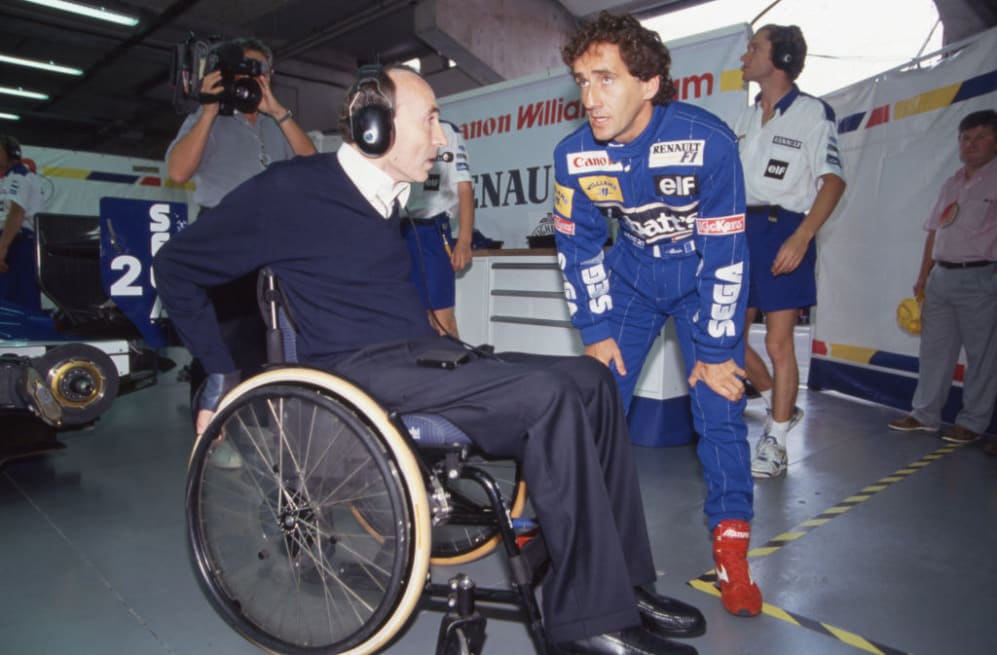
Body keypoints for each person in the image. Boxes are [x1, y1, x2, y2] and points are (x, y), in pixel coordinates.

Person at [155, 63, 707, 655]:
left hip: (420, 358)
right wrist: (220, 373)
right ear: (375, 129)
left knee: (591, 378)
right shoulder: (287, 191)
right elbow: (176, 267)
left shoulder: (384, 201)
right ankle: (590, 622)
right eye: (431, 121)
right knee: (547, 399)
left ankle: (621, 582)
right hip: (359, 376)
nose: (441, 140)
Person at [553, 12, 761, 618]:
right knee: (591, 406)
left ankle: (733, 554)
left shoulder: (709, 140)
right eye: (581, 81)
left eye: (605, 79)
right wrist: (593, 330)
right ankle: (552, 525)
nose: (590, 99)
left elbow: (727, 253)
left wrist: (720, 349)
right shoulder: (574, 156)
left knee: (719, 413)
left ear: (649, 82)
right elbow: (578, 246)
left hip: (702, 285)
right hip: (632, 285)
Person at [165, 37, 317, 420]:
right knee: (220, 337)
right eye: (244, 68)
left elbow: (313, 169)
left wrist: (279, 112)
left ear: (270, 74)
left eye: (259, 69)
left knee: (269, 336)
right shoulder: (209, 117)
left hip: (273, 240)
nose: (252, 76)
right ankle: (213, 425)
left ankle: (260, 422)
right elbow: (179, 171)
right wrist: (207, 112)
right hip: (222, 234)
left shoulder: (276, 122)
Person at [733, 24, 846, 479]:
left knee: (779, 343)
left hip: (785, 229)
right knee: (728, 340)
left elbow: (833, 181)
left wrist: (801, 239)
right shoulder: (743, 118)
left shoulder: (813, 113)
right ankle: (774, 402)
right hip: (739, 232)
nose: (746, 55)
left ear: (779, 57)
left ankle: (776, 441)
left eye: (754, 47)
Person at [888, 109, 997, 447]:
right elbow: (934, 232)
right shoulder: (953, 182)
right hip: (941, 277)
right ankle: (925, 414)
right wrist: (923, 277)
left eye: (980, 137)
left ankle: (973, 422)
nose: (971, 144)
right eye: (965, 137)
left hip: (981, 276)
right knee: (934, 352)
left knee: (982, 355)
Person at [402, 119, 474, 337]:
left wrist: (464, 241)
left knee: (442, 322)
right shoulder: (394, 130)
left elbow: (464, 187)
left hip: (430, 232)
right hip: (396, 231)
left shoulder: (445, 132)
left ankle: (459, 371)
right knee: (406, 320)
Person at [0, 135, 46, 313]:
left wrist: (2, 249)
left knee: (20, 297)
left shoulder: (20, 176)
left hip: (20, 243)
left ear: (11, 154)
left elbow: (17, 213)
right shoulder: (10, 178)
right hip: (13, 241)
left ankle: (29, 338)